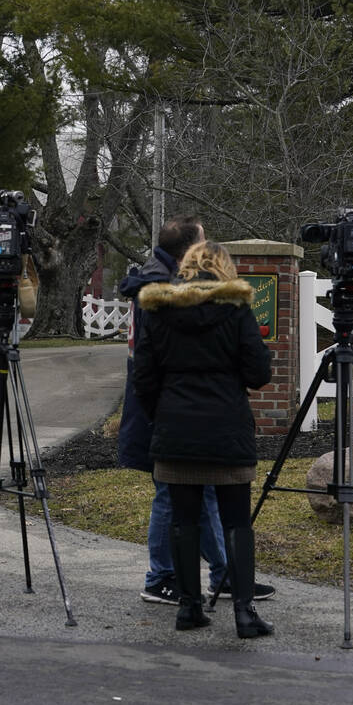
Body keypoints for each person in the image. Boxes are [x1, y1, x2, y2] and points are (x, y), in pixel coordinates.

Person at [117, 217, 275, 604]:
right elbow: (257, 372)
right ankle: (163, 577)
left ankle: (221, 577)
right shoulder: (164, 295)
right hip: (191, 421)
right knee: (173, 500)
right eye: (203, 239)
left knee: (192, 500)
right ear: (189, 252)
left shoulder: (158, 295)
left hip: (170, 418)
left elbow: (148, 370)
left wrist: (165, 410)